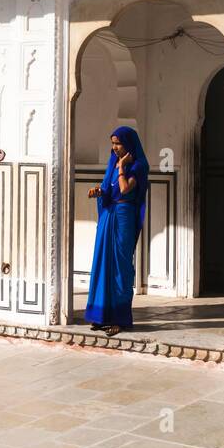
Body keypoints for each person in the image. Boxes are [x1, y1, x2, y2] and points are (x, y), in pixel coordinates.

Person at [84, 126, 149, 336]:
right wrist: (99, 192)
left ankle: (120, 319)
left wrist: (122, 166)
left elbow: (124, 189)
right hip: (109, 216)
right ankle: (102, 316)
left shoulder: (139, 166)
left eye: (118, 143)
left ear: (129, 144)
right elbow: (110, 189)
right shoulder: (112, 162)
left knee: (121, 268)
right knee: (103, 265)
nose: (115, 148)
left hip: (124, 217)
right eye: (113, 143)